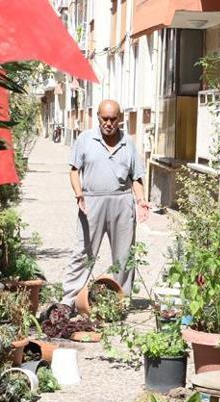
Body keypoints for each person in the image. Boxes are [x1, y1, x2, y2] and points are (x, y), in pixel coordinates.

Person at [61, 99, 150, 307]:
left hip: (122, 201)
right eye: (104, 118)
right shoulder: (85, 139)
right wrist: (79, 193)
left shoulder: (128, 143)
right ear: (98, 117)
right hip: (91, 201)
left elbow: (136, 177)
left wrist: (141, 200)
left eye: (113, 119)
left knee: (124, 254)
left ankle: (121, 301)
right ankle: (68, 301)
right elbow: (74, 170)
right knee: (83, 251)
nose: (109, 123)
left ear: (120, 119)